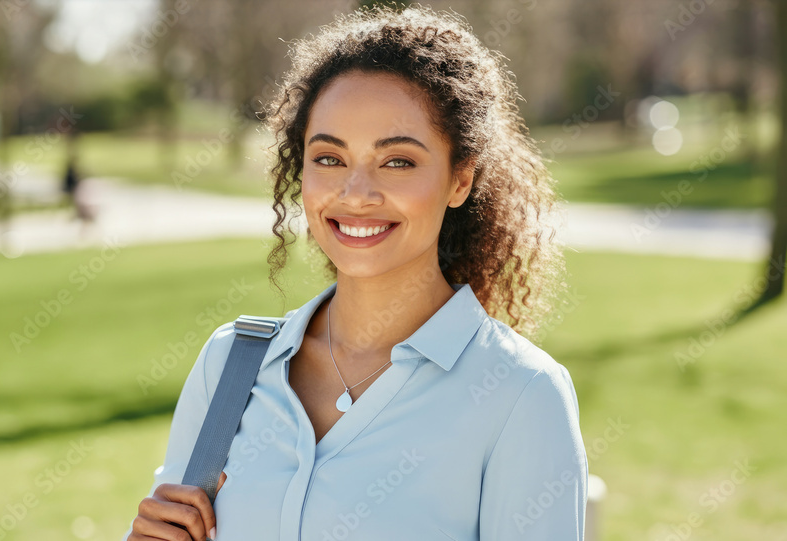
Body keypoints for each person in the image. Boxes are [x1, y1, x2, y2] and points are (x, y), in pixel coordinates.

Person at [125, 5, 586, 540]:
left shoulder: (520, 394)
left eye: (397, 161)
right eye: (329, 158)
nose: (356, 193)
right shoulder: (229, 367)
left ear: (461, 178)